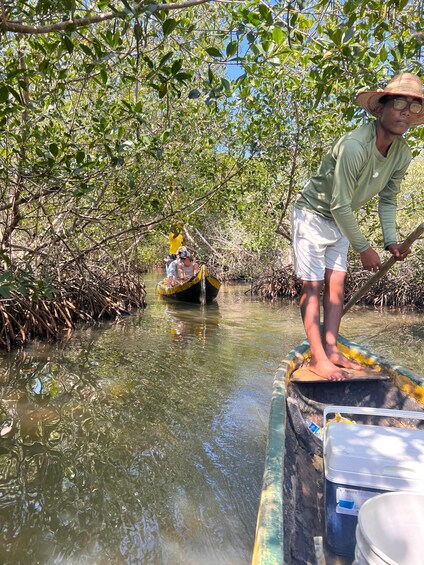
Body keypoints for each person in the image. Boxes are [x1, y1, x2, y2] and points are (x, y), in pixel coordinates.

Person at [291, 73, 423, 381]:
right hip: (313, 214)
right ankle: (317, 358)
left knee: (336, 285)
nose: (405, 111)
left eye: (413, 107)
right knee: (312, 286)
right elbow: (337, 204)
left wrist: (391, 241)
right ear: (381, 108)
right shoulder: (354, 145)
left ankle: (332, 348)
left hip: (341, 219)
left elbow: (388, 201)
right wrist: (364, 248)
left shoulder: (403, 153)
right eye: (399, 103)